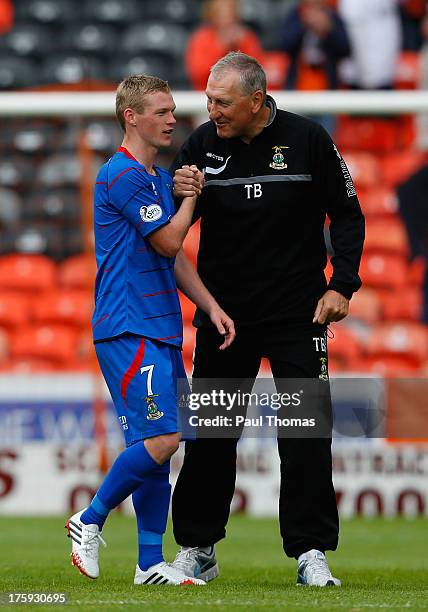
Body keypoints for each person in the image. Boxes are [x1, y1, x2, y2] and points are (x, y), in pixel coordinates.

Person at [170, 52, 365, 586]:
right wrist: (181, 193)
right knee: (210, 434)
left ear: (257, 100)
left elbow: (348, 213)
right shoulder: (201, 146)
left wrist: (341, 285)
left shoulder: (308, 140)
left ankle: (310, 553)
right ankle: (196, 547)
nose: (211, 110)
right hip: (225, 316)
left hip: (297, 314)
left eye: (222, 102)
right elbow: (171, 230)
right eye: (209, 99)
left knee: (305, 435)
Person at [65, 74, 235, 586]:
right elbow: (166, 241)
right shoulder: (121, 175)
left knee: (158, 444)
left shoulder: (156, 178)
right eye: (161, 111)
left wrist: (211, 305)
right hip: (127, 324)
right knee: (164, 436)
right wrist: (190, 200)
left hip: (159, 326)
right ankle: (89, 518)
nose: (171, 120)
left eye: (173, 110)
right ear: (131, 117)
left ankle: (148, 564)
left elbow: (174, 257)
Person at [185, 0, 264, 91]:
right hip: (206, 93)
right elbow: (197, 74)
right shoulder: (201, 38)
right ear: (212, 13)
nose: (227, 17)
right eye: (220, 12)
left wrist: (241, 45)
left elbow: (257, 72)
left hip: (241, 94)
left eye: (230, 11)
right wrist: (221, 48)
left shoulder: (246, 37)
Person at [280, 0, 351, 91]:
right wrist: (304, 24)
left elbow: (345, 49)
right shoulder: (296, 15)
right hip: (299, 78)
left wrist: (328, 30)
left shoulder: (332, 16)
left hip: (327, 78)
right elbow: (285, 45)